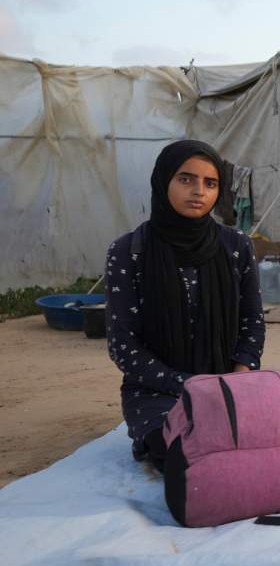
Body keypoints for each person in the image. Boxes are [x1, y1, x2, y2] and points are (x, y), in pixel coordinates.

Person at [105, 140, 265, 467]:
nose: (198, 191)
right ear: (164, 181)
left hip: (227, 385)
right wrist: (187, 385)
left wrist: (237, 376)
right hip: (157, 392)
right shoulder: (128, 251)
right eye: (186, 179)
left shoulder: (236, 246)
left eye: (210, 183)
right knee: (188, 451)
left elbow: (252, 323)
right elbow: (124, 345)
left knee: (269, 437)